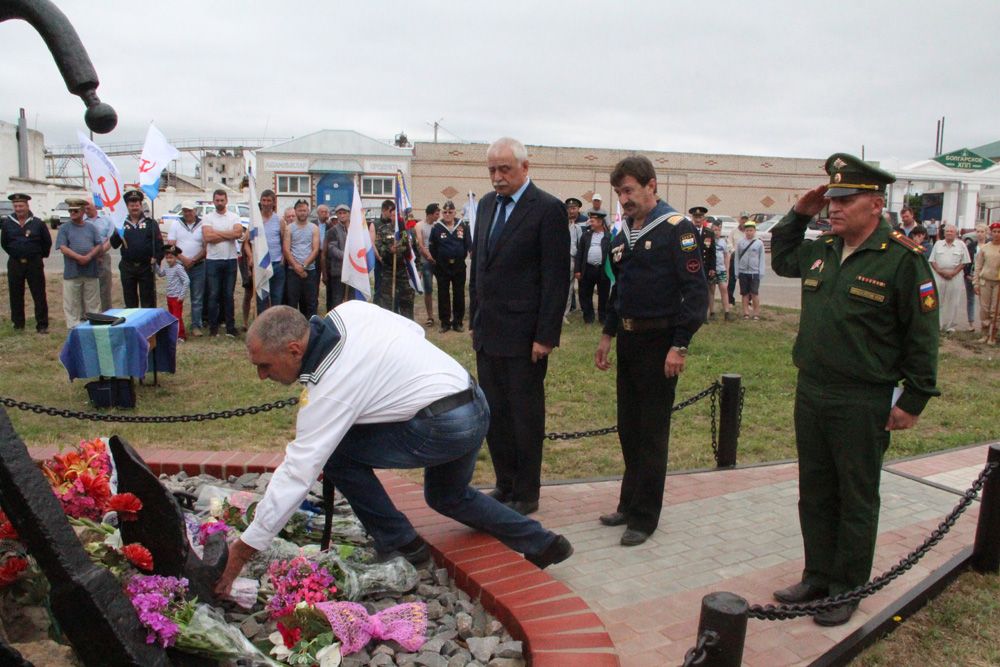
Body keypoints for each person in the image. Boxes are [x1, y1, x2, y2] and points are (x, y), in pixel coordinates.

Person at [213, 303, 574, 596]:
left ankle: (402, 544)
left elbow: (298, 471)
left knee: (337, 455)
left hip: (442, 425)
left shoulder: (330, 388)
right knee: (446, 495)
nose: (262, 376)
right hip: (472, 399)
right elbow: (411, 332)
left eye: (264, 366)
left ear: (294, 350)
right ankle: (543, 543)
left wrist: (244, 549)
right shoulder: (349, 311)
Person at [770, 153, 940, 626]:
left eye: (845, 199)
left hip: (862, 396)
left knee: (856, 494)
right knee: (816, 490)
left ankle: (848, 586)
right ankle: (817, 576)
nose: (835, 207)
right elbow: (782, 257)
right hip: (813, 389)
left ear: (875, 204)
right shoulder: (822, 249)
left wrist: (914, 398)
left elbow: (922, 334)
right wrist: (800, 213)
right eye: (831, 199)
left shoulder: (902, 260)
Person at [594, 155, 708, 547]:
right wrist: (608, 335)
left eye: (628, 190)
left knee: (652, 432)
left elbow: (695, 293)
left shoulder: (678, 229)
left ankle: (645, 517)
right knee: (629, 427)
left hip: (661, 344)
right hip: (629, 340)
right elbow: (619, 289)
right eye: (619, 192)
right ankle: (628, 503)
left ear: (651, 185)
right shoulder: (623, 232)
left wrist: (680, 345)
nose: (623, 199)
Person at [469, 137, 569, 515]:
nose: (497, 177)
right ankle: (505, 483)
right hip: (489, 332)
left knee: (525, 416)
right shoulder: (485, 206)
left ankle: (526, 492)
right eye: (492, 170)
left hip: (525, 337)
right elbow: (480, 266)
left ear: (525, 168)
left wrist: (545, 336)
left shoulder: (547, 210)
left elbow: (555, 279)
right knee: (494, 413)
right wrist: (475, 318)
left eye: (504, 169)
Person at [1, 193, 51, 333]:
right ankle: (18, 324)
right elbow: (4, 243)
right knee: (15, 294)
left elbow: (46, 242)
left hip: (34, 263)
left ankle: (42, 325)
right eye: (16, 206)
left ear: (27, 206)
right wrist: (16, 253)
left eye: (21, 205)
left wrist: (38, 256)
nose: (18, 208)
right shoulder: (7, 223)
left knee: (39, 294)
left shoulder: (38, 223)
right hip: (15, 263)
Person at [110, 190, 163, 309]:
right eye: (131, 205)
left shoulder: (151, 223)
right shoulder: (121, 224)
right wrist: (117, 232)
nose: (134, 207)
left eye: (137, 205)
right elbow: (114, 244)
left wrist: (157, 259)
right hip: (128, 267)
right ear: (127, 207)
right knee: (130, 301)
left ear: (141, 205)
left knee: (148, 301)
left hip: (146, 267)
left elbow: (159, 245)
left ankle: (149, 325)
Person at [201, 189, 243, 337]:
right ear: (213, 201)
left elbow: (238, 234)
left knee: (228, 295)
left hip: (230, 260)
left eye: (222, 200)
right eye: (217, 200)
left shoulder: (234, 217)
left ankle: (230, 327)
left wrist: (217, 233)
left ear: (226, 201)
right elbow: (207, 237)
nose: (219, 203)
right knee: (213, 294)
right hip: (213, 260)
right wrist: (228, 235)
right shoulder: (207, 217)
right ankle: (214, 327)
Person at [55, 198, 102, 328]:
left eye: (75, 211)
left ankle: (94, 325)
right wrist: (78, 257)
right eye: (70, 211)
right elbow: (63, 247)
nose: (72, 213)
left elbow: (99, 245)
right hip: (72, 271)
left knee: (92, 301)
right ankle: (73, 327)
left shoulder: (91, 227)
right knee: (72, 302)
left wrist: (89, 256)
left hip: (90, 270)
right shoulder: (64, 228)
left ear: (82, 211)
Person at [429, 200, 471, 333]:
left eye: (450, 212)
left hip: (459, 266)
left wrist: (462, 256)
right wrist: (439, 260)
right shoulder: (437, 227)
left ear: (455, 212)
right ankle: (445, 322)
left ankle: (458, 322)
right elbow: (432, 247)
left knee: (459, 294)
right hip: (442, 267)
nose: (447, 214)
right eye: (445, 212)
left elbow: (468, 244)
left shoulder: (463, 226)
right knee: (443, 294)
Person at [167, 201, 207, 336]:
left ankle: (196, 325)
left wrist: (194, 259)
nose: (187, 213)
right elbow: (171, 245)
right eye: (185, 210)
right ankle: (178, 326)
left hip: (198, 265)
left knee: (197, 298)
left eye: (190, 210)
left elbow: (206, 247)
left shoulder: (202, 225)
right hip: (180, 267)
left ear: (195, 210)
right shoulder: (176, 224)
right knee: (177, 297)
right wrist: (184, 259)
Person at [372, 199, 414, 319]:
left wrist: (419, 268)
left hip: (405, 272)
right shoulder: (383, 230)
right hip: (389, 273)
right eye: (394, 214)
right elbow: (380, 249)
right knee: (388, 303)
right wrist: (390, 250)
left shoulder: (409, 231)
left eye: (399, 215)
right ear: (391, 215)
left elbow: (415, 251)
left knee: (407, 302)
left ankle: (408, 328)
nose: (397, 217)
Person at [929, 223, 971, 333]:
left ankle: (950, 326)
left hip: (955, 276)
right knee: (938, 300)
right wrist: (940, 272)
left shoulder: (961, 245)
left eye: (951, 231)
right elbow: (932, 260)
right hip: (939, 275)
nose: (949, 233)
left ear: (956, 233)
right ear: (944, 233)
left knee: (954, 301)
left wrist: (953, 273)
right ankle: (938, 325)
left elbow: (964, 262)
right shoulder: (938, 244)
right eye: (947, 231)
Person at [283, 199, 320, 318]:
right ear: (295, 211)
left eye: (304, 210)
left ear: (308, 211)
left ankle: (310, 330)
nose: (302, 213)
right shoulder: (289, 228)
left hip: (310, 271)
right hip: (293, 271)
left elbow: (315, 249)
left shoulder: (314, 228)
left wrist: (304, 266)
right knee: (292, 303)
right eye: (300, 210)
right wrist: (296, 267)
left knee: (310, 303)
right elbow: (286, 249)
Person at [574, 209, 611, 324]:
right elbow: (580, 253)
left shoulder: (609, 236)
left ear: (600, 222)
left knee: (604, 295)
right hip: (588, 269)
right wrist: (577, 270)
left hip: (603, 270)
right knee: (585, 294)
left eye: (593, 221)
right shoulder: (585, 236)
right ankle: (588, 318)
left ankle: (603, 318)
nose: (590, 223)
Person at [257, 190, 286, 311]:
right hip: (262, 264)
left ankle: (275, 327)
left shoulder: (279, 220)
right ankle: (262, 326)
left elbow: (284, 240)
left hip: (277, 263)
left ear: (273, 202)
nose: (266, 203)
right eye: (264, 200)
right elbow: (247, 241)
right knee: (262, 298)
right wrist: (250, 257)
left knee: (276, 297)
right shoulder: (256, 219)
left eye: (269, 200)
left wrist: (283, 259)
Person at [83, 201, 115, 311]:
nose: (86, 209)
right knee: (87, 287)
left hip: (103, 257)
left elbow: (110, 240)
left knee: (104, 288)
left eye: (88, 207)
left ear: (95, 207)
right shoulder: (81, 221)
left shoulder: (107, 220)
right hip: (85, 258)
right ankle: (87, 315)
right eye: (84, 208)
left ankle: (107, 313)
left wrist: (99, 253)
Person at [156, 246, 190, 341]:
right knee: (171, 316)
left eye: (171, 258)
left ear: (176, 258)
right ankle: (173, 334)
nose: (169, 260)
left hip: (177, 297)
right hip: (169, 296)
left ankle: (180, 336)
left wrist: (181, 295)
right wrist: (155, 265)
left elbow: (186, 281)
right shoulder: (167, 267)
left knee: (177, 317)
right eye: (167, 258)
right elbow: (160, 274)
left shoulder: (179, 268)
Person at [414, 203, 440, 326]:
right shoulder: (419, 226)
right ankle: (430, 316)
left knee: (442, 288)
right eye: (436, 213)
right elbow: (420, 244)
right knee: (428, 289)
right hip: (426, 262)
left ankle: (443, 314)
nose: (438, 216)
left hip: (438, 261)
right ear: (430, 214)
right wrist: (429, 257)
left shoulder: (438, 226)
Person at [321, 203, 350, 313]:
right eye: (340, 213)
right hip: (338, 272)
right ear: (337, 215)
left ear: (349, 214)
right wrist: (347, 257)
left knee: (351, 300)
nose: (342, 215)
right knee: (337, 301)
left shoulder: (355, 230)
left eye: (344, 213)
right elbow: (332, 250)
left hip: (352, 272)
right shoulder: (332, 231)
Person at [974, 222, 1000, 342]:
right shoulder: (985, 248)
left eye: (999, 232)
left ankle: (993, 335)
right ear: (991, 233)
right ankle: (984, 333)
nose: (996, 234)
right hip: (985, 281)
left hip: (998, 283)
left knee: (996, 310)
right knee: (984, 308)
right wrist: (976, 283)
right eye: (994, 232)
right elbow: (978, 266)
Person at [689, 207, 716, 317]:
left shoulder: (709, 233)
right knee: (692, 290)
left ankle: (703, 314)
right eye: (696, 217)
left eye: (700, 217)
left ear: (704, 218)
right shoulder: (688, 231)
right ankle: (693, 312)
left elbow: (712, 252)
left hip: (705, 267)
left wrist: (712, 268)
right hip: (691, 266)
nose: (698, 219)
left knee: (705, 291)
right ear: (692, 218)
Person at [736, 220, 765, 319]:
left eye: (751, 230)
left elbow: (762, 258)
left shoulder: (759, 243)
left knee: (754, 293)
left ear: (754, 231)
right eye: (747, 230)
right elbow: (737, 258)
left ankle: (756, 313)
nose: (749, 232)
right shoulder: (740, 242)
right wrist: (737, 271)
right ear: (745, 231)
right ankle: (746, 313)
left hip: (754, 272)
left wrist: (761, 272)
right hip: (743, 271)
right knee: (744, 293)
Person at [709, 219, 733, 321]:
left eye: (719, 230)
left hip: (721, 269)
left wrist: (727, 271)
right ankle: (711, 312)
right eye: (714, 230)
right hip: (712, 270)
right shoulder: (708, 241)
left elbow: (726, 256)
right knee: (711, 290)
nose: (717, 232)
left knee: (724, 289)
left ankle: (727, 312)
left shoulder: (724, 242)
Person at [564, 199, 583, 321]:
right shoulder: (559, 222)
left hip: (573, 258)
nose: (571, 210)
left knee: (570, 287)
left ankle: (565, 313)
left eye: (573, 208)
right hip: (560, 258)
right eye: (569, 208)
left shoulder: (580, 225)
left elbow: (581, 244)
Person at [963, 225, 985, 332]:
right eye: (978, 231)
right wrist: (967, 274)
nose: (980, 234)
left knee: (984, 302)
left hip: (984, 276)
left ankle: (984, 324)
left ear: (986, 233)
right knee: (970, 299)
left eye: (982, 231)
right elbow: (966, 260)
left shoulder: (989, 246)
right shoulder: (971, 246)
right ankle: (970, 323)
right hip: (970, 275)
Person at [727, 213, 747, 307]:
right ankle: (730, 300)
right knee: (732, 280)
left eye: (746, 219)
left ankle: (748, 301)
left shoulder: (750, 231)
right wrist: (733, 251)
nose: (744, 221)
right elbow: (729, 242)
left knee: (746, 281)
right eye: (743, 218)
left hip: (746, 260)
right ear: (739, 219)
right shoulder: (734, 231)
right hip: (735, 258)